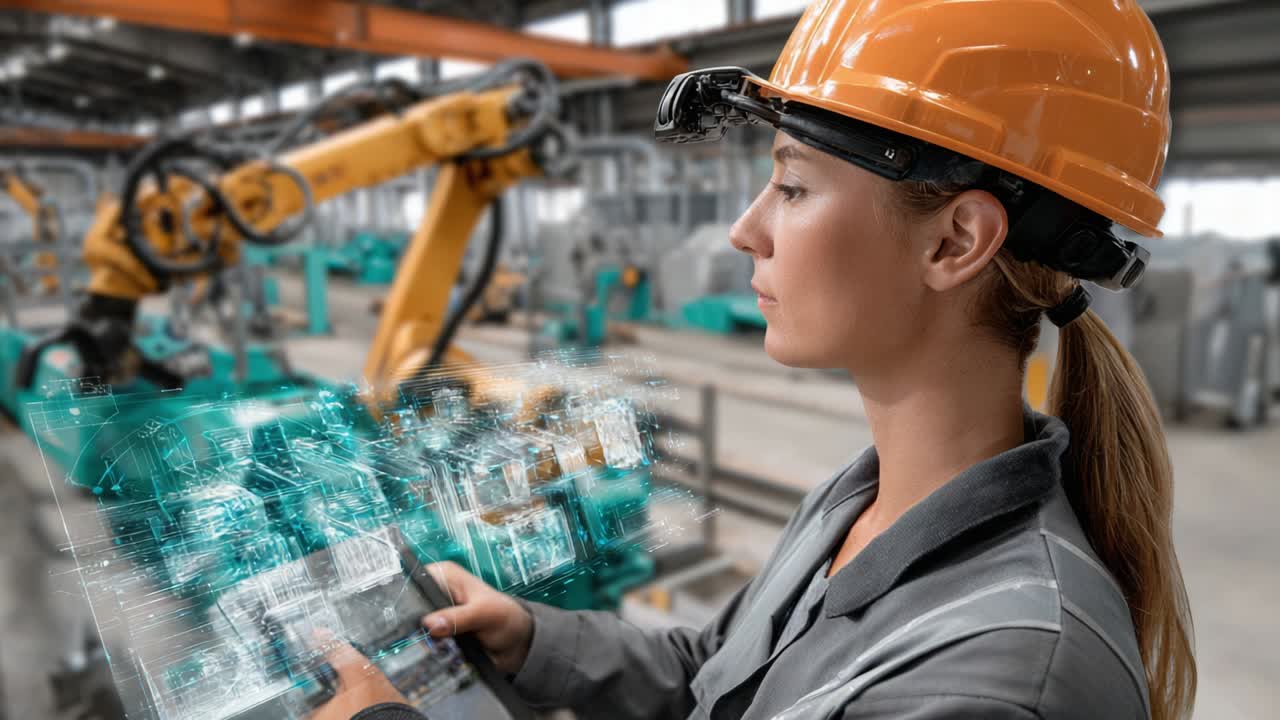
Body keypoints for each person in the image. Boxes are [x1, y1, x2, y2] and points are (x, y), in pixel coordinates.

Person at [313, 0, 1196, 717]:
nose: (747, 230)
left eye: (795, 184)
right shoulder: (859, 504)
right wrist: (531, 636)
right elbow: (720, 680)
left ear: (955, 241)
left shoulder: (999, 676)